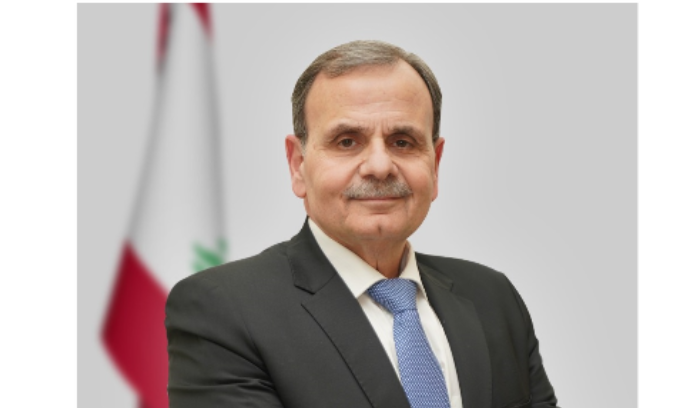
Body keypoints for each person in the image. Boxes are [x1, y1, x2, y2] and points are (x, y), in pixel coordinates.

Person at [166, 40, 559, 408]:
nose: (380, 166)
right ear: (298, 165)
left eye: (403, 141)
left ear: (435, 164)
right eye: (347, 141)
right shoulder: (223, 310)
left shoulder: (493, 298)